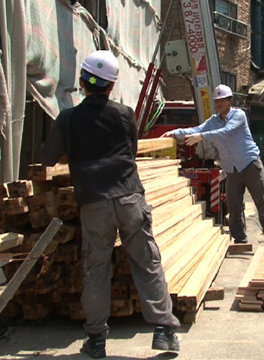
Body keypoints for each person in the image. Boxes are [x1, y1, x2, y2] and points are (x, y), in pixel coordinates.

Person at [41, 50, 180, 358]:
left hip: (94, 202)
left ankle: (97, 340)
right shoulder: (124, 114)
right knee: (148, 262)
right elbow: (130, 153)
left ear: (82, 82)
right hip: (129, 196)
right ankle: (164, 331)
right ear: (111, 86)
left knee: (96, 268)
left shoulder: (68, 119)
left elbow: (47, 159)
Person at [161, 84, 264, 244]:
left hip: (250, 165)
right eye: (216, 102)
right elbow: (196, 128)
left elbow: (226, 131)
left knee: (262, 204)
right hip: (232, 169)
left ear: (230, 101)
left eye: (221, 101)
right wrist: (175, 133)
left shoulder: (239, 115)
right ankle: (240, 241)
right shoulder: (213, 121)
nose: (218, 105)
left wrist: (201, 137)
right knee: (234, 207)